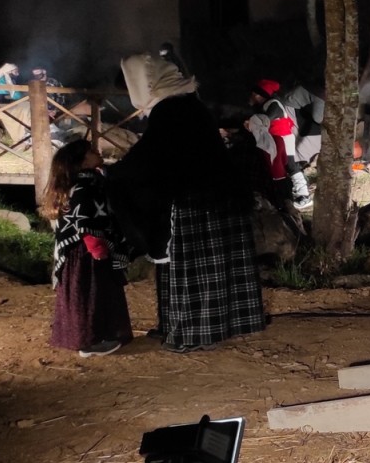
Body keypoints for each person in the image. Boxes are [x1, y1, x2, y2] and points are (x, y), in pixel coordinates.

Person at [107, 94, 266, 352]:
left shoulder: (159, 148)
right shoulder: (212, 150)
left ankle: (190, 333)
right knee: (213, 274)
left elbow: (128, 176)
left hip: (185, 217)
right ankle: (191, 327)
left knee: (187, 276)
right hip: (216, 213)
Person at [40, 138, 132, 358]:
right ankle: (91, 341)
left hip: (78, 252)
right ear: (81, 162)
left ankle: (87, 337)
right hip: (87, 252)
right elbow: (85, 221)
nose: (97, 152)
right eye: (91, 151)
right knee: (91, 295)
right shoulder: (86, 186)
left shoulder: (81, 184)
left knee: (84, 294)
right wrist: (98, 248)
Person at [250, 79, 311, 210]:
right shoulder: (267, 104)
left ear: (261, 94)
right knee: (285, 165)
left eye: (255, 93)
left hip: (283, 138)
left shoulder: (274, 104)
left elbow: (266, 120)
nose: (253, 96)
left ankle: (304, 195)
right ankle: (293, 193)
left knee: (290, 165)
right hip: (277, 139)